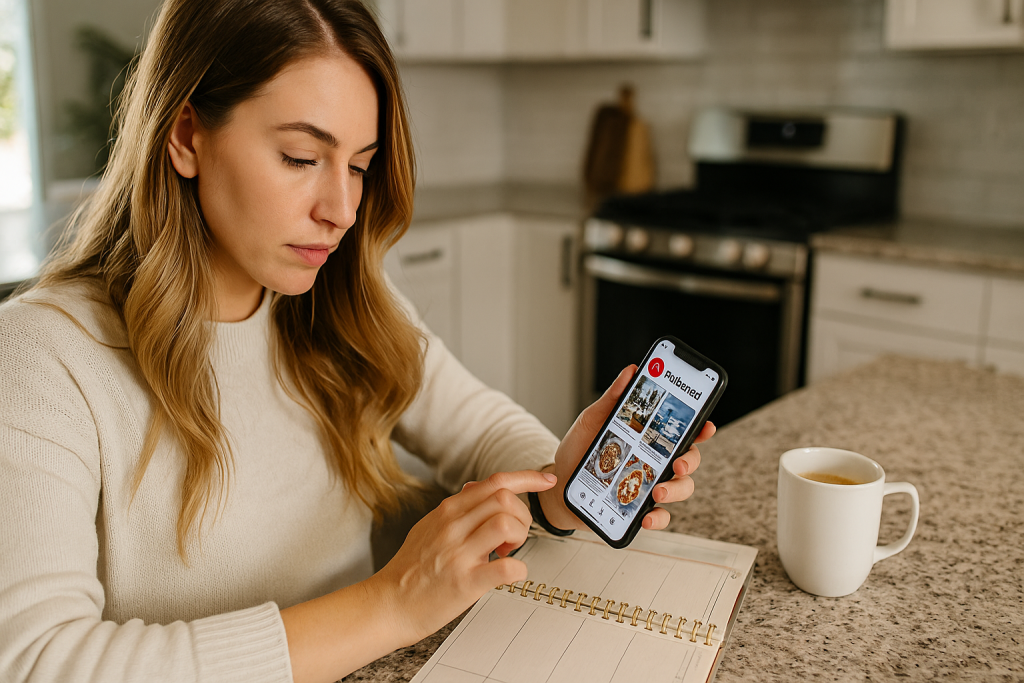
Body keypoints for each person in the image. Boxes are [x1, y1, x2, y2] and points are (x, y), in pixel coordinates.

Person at [0, 1, 713, 682]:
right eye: (301, 157)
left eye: (360, 164)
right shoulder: (43, 353)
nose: (340, 210)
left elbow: (483, 428)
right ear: (186, 136)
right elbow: (38, 662)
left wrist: (561, 485)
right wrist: (392, 602)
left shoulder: (337, 302)